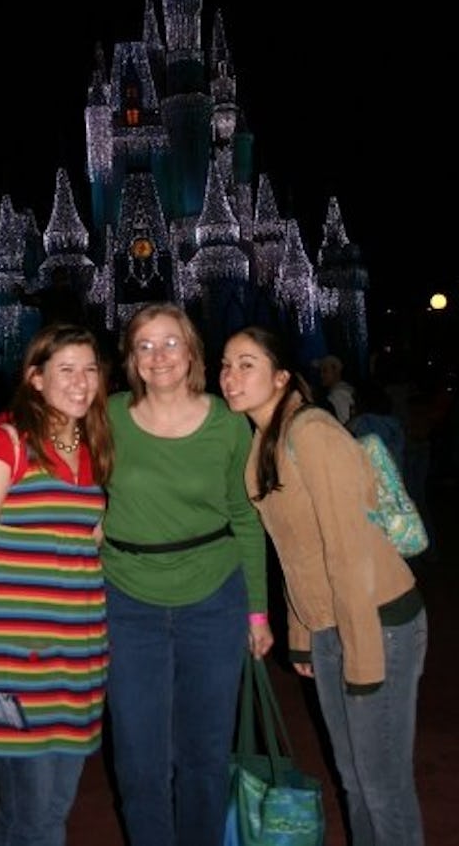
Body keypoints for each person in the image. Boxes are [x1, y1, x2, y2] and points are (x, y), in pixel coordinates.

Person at [220, 326, 426, 846]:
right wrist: (303, 634)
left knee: (383, 785)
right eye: (225, 365)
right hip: (332, 623)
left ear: (282, 376)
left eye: (247, 363)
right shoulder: (260, 448)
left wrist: (362, 658)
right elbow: (294, 555)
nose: (230, 376)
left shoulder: (311, 433)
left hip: (378, 620)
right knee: (353, 779)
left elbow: (347, 552)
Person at [101, 302, 273, 846]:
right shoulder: (106, 417)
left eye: (170, 342)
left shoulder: (227, 424)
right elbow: (49, 465)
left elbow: (246, 518)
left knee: (204, 755)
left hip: (214, 600)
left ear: (193, 350)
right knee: (139, 760)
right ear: (131, 357)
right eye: (145, 345)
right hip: (128, 604)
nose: (159, 355)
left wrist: (258, 610)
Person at [0, 323, 114, 846]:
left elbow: (89, 544)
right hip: (17, 659)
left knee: (45, 813)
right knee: (36, 819)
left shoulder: (93, 449)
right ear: (35, 379)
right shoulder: (4, 444)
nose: (81, 381)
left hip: (80, 657)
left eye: (90, 369)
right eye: (66, 369)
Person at [316, 353, 355, 424]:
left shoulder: (338, 393)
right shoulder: (343, 388)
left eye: (325, 371)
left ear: (336, 371)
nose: (321, 375)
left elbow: (347, 421)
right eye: (320, 371)